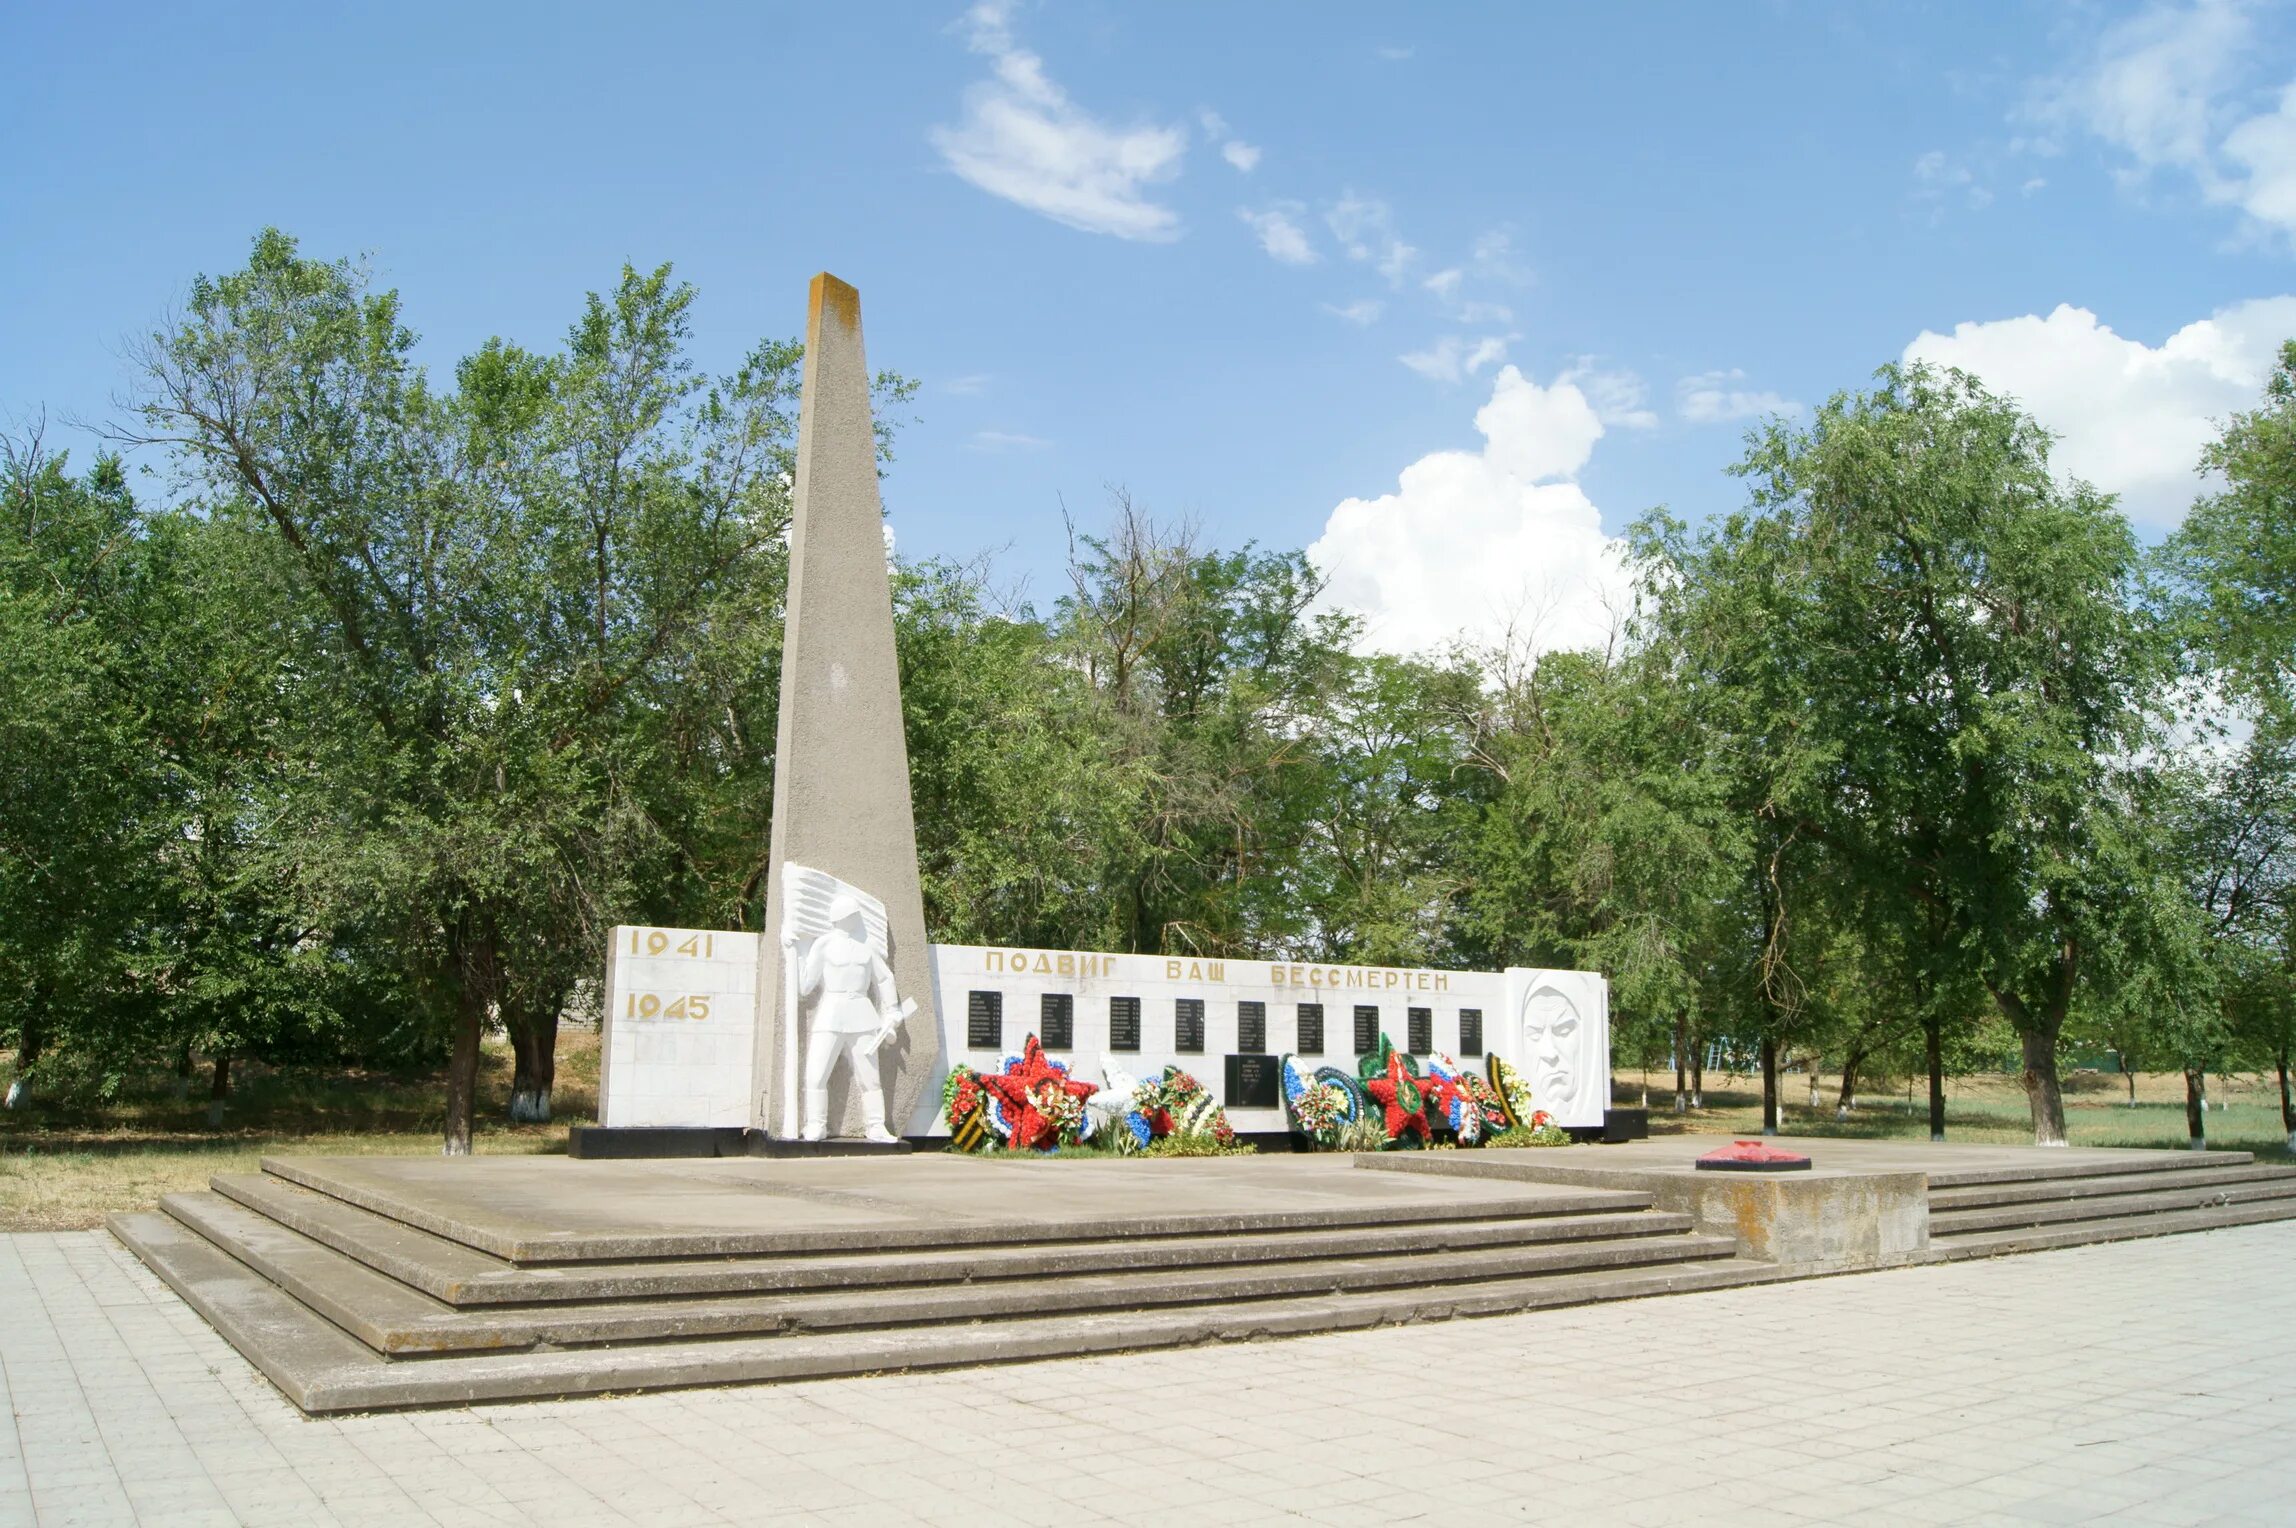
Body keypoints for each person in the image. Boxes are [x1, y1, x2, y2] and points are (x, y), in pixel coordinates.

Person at [786, 893, 902, 1142]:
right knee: (816, 1075)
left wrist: (892, 1010)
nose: (855, 919)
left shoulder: (867, 946)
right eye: (850, 915)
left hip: (862, 1016)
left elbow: (884, 978)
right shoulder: (824, 944)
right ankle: (816, 1124)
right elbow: (806, 986)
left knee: (871, 1078)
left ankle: (876, 1125)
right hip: (830, 1014)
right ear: (839, 919)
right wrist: (795, 953)